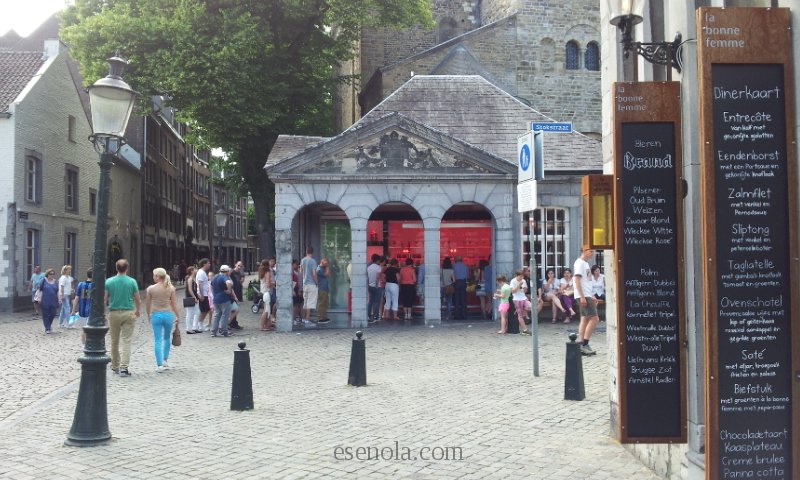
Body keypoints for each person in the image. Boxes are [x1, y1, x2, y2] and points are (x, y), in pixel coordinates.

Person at [105, 259, 141, 377]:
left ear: (116, 268)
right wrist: (137, 311)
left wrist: (103, 312)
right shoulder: (132, 282)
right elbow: (137, 298)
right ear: (127, 268)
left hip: (114, 313)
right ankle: (124, 368)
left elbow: (104, 299)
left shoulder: (109, 282)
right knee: (126, 340)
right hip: (128, 312)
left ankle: (115, 366)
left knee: (114, 341)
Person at [145, 267, 180, 372]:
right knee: (166, 338)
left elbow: (147, 303)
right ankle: (165, 360)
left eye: (154, 275)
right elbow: (174, 304)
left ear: (157, 276)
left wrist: (148, 314)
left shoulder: (151, 289)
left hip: (156, 314)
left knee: (157, 339)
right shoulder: (171, 288)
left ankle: (159, 365)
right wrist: (177, 315)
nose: (153, 277)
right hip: (168, 314)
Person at [574, 249, 599, 356]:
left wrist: (591, 295)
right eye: (591, 251)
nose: (592, 253)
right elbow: (577, 280)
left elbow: (587, 281)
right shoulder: (580, 263)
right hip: (583, 295)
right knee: (595, 318)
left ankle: (580, 343)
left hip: (587, 294)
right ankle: (585, 343)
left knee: (584, 318)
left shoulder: (585, 264)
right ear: (584, 251)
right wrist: (583, 296)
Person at [210, 265, 234, 337]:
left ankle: (213, 332)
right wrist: (229, 291)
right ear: (227, 271)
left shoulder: (215, 277)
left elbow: (211, 286)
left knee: (216, 315)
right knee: (224, 315)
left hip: (216, 299)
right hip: (224, 298)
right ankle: (224, 331)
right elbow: (228, 283)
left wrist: (214, 293)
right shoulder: (224, 277)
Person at [71, 269, 93, 343]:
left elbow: (76, 298)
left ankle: (84, 344)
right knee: (88, 329)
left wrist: (73, 310)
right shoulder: (94, 285)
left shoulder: (81, 284)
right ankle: (86, 343)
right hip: (91, 310)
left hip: (82, 310)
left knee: (84, 328)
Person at [509, 269, 532, 335]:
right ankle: (525, 329)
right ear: (517, 276)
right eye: (520, 276)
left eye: (522, 276)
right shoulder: (513, 281)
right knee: (520, 315)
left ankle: (524, 312)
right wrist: (518, 285)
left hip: (523, 298)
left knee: (530, 307)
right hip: (516, 299)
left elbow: (525, 290)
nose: (522, 278)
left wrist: (524, 288)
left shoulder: (523, 281)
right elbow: (512, 291)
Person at [300, 247, 318, 324]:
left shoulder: (302, 260)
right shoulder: (313, 261)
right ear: (312, 252)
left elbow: (301, 271)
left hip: (305, 283)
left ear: (306, 252)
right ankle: (307, 318)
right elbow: (314, 273)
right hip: (311, 283)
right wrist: (316, 282)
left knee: (305, 301)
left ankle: (303, 318)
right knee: (310, 302)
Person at [38, 268, 59, 334]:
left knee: (53, 314)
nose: (52, 275)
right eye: (50, 274)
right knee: (45, 314)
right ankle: (47, 328)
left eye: (53, 274)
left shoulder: (55, 282)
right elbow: (40, 290)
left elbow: (57, 291)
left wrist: (59, 299)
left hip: (53, 301)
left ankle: (49, 325)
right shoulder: (44, 281)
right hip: (45, 300)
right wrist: (39, 298)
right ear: (47, 274)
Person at [184, 266, 202, 334]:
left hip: (193, 297)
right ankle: (188, 328)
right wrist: (194, 297)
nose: (196, 270)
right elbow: (190, 289)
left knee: (197, 312)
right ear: (191, 271)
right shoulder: (190, 279)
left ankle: (194, 327)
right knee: (189, 313)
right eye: (195, 269)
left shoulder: (193, 278)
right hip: (190, 297)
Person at [195, 259, 212, 331]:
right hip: (203, 294)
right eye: (208, 263)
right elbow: (200, 283)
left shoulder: (203, 272)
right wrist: (201, 294)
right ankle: (199, 325)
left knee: (206, 309)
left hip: (205, 293)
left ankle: (200, 324)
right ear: (204, 264)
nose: (209, 264)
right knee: (204, 310)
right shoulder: (201, 273)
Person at [228, 261, 245, 330]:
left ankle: (233, 323)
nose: (239, 267)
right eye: (238, 265)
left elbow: (241, 280)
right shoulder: (231, 272)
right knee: (233, 308)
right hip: (233, 292)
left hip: (238, 291)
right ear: (235, 265)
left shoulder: (240, 272)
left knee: (235, 308)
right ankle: (230, 323)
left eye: (241, 266)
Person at [258, 260, 273, 331]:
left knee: (266, 309)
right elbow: (268, 284)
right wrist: (273, 284)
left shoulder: (261, 272)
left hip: (263, 292)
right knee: (266, 310)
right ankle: (262, 326)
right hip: (266, 292)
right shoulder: (267, 272)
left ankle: (265, 324)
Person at [367, 254, 382, 323]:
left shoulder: (369, 267)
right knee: (376, 302)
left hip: (370, 286)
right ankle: (375, 317)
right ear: (377, 260)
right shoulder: (378, 267)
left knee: (370, 301)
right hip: (377, 286)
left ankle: (368, 316)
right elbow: (378, 277)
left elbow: (367, 277)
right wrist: (376, 285)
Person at [316, 257, 331, 323]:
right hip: (321, 288)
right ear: (322, 262)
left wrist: (326, 268)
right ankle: (320, 318)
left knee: (325, 303)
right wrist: (327, 267)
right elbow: (327, 274)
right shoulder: (319, 269)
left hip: (325, 288)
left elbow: (329, 274)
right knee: (321, 303)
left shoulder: (323, 268)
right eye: (326, 263)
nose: (327, 264)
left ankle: (324, 317)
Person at [291, 259, 303, 324]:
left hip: (298, 288)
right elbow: (293, 282)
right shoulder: (292, 272)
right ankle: (295, 317)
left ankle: (298, 316)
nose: (297, 265)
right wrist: (293, 290)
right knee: (295, 304)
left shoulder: (299, 272)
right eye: (296, 264)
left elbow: (300, 281)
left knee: (299, 304)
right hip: (295, 289)